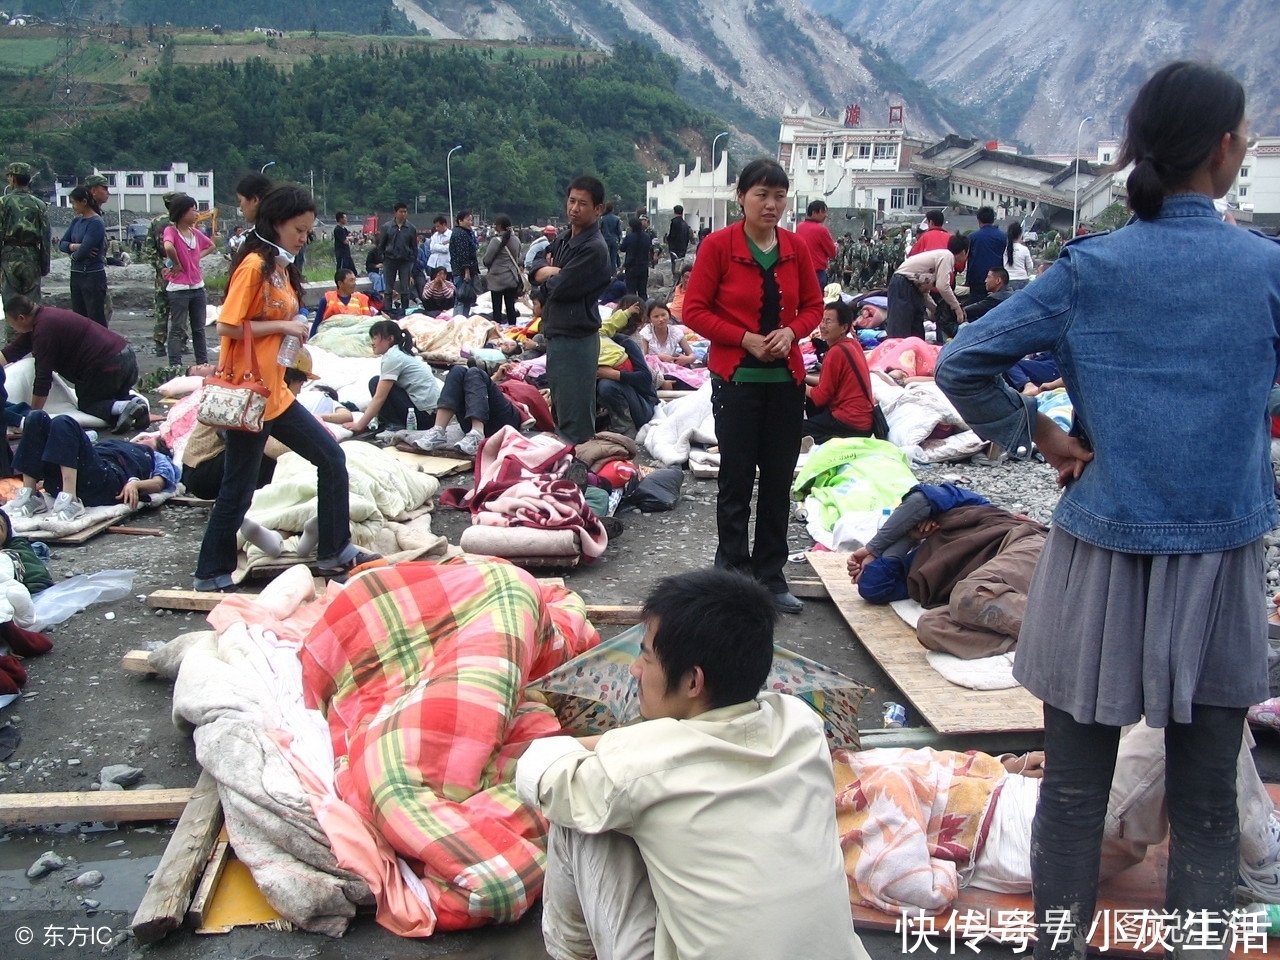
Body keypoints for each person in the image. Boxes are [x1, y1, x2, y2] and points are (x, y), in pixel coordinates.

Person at [933, 61, 1280, 959]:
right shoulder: (1264, 270)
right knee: (1205, 801)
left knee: (1075, 793)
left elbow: (963, 361)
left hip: (1100, 557)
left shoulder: (1092, 267)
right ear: (1226, 148)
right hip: (1219, 560)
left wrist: (1039, 436)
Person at [516, 567, 870, 960]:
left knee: (578, 812)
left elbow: (538, 772)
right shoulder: (802, 725)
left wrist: (592, 745)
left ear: (692, 682)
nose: (636, 669)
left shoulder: (640, 766)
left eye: (646, 657)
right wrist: (623, 744)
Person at [193, 184, 378, 592]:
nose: (304, 236)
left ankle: (335, 549)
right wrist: (282, 326)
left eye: (308, 230)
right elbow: (226, 325)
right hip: (250, 394)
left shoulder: (281, 266)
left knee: (331, 458)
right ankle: (211, 573)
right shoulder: (254, 267)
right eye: (299, 228)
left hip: (275, 392)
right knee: (237, 488)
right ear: (276, 223)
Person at [683, 158, 823, 615]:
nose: (771, 204)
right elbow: (695, 311)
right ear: (740, 197)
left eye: (779, 195)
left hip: (785, 383)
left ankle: (771, 575)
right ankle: (731, 573)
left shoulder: (796, 248)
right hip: (737, 381)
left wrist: (792, 332)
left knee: (779, 479)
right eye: (761, 194)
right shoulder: (718, 247)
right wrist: (743, 338)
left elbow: (813, 306)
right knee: (736, 478)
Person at [847, 484, 1047, 659]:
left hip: (1021, 548)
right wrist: (908, 536)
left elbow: (920, 500)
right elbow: (873, 586)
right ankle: (1047, 640)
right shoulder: (917, 562)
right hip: (999, 599)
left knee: (970, 594)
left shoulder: (975, 507)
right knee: (931, 627)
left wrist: (872, 548)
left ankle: (1060, 634)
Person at [529, 176, 611, 445]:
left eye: (583, 203)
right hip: (557, 332)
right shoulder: (565, 239)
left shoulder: (594, 248)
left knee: (575, 415)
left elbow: (559, 288)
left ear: (597, 209)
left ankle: (580, 477)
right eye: (572, 201)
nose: (574, 208)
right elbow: (536, 266)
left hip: (576, 338)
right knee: (561, 407)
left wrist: (549, 278)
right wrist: (549, 271)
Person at [1, 295, 147, 433]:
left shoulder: (44, 331)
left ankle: (125, 407)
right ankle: (136, 403)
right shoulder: (45, 319)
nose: (13, 328)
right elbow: (11, 352)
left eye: (11, 323)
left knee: (89, 405)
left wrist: (33, 416)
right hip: (126, 356)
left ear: (21, 318)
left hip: (106, 365)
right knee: (113, 397)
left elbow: (43, 377)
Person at [8, 411, 179, 523]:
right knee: (36, 418)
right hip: (77, 475)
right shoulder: (116, 445)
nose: (142, 439)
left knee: (64, 422)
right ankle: (30, 495)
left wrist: (136, 484)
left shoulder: (159, 457)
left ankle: (71, 501)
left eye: (148, 439)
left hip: (104, 483)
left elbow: (159, 483)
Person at [349, 319, 442, 434]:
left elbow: (380, 397)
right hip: (429, 416)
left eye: (375, 338)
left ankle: (394, 425)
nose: (372, 343)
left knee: (375, 383)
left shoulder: (393, 357)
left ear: (390, 339)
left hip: (421, 418)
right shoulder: (399, 353)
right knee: (379, 382)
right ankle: (392, 423)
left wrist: (359, 425)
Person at [801, 299, 875, 445]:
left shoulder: (835, 352)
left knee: (795, 430)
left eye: (828, 322)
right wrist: (803, 377)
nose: (822, 326)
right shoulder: (853, 344)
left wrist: (797, 384)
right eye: (822, 321)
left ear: (844, 327)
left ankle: (836, 439)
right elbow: (828, 383)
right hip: (865, 421)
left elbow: (820, 397)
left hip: (850, 421)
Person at [415, 361, 525, 458]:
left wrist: (519, 377)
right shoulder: (494, 376)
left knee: (475, 372)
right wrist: (496, 377)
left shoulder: (533, 371)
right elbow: (477, 388)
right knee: (458, 370)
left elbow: (533, 396)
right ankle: (438, 431)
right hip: (477, 417)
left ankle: (477, 435)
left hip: (506, 421)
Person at [162, 194, 214, 367]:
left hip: (197, 286)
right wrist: (177, 263)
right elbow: (168, 246)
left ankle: (202, 363)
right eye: (193, 210)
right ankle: (175, 365)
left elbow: (211, 246)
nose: (196, 213)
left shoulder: (195, 233)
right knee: (178, 328)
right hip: (179, 288)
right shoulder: (171, 231)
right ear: (183, 213)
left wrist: (195, 259)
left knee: (198, 329)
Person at [887, 233, 969, 341]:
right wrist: (957, 308)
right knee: (901, 332)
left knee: (916, 333)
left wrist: (934, 310)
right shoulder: (947, 256)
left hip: (913, 288)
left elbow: (924, 290)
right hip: (902, 285)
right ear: (964, 251)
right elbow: (943, 286)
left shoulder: (942, 256)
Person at [0, 163, 50, 311]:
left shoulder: (3, 202)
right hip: (32, 257)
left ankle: (13, 335)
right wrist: (44, 265)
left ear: (13, 179)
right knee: (32, 308)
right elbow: (46, 238)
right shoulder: (39, 204)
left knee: (11, 307)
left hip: (9, 258)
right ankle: (33, 334)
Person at [142, 191, 186, 356]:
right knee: (180, 310)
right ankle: (181, 344)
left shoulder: (156, 223)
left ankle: (159, 345)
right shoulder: (183, 223)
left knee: (161, 310)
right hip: (180, 273)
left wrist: (161, 267)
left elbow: (149, 249)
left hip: (163, 273)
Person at [58, 186, 108, 327]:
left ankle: (100, 348)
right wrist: (74, 247)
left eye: (74, 202)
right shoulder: (76, 222)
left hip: (92, 275)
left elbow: (85, 249)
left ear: (84, 201)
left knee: (95, 317)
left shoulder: (96, 222)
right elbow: (62, 243)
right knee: (79, 318)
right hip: (77, 274)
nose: (73, 207)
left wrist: (73, 254)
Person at [596, 330, 657, 438]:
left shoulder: (623, 342)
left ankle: (625, 430)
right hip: (606, 410)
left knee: (606, 385)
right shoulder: (582, 348)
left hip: (642, 405)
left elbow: (646, 378)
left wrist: (613, 374)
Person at [377, 203, 418, 314]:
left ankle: (404, 311)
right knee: (388, 289)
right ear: (395, 212)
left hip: (405, 261)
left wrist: (412, 259)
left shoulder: (411, 228)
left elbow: (414, 246)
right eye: (401, 211)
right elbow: (381, 244)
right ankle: (388, 310)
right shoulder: (387, 227)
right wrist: (383, 258)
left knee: (405, 289)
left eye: (405, 212)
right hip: (390, 260)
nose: (403, 214)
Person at [482, 213, 522, 327]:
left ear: (499, 226)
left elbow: (486, 260)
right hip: (511, 277)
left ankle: (497, 329)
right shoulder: (516, 240)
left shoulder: (495, 241)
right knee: (510, 306)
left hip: (497, 279)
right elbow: (518, 257)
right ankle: (513, 328)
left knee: (497, 308)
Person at [312, 268, 375, 335]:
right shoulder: (327, 299)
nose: (354, 284)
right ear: (340, 283)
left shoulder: (361, 299)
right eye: (351, 281)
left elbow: (367, 323)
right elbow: (317, 323)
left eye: (354, 280)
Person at [964, 206, 1007, 306]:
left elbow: (967, 257)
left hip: (976, 279)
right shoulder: (1002, 236)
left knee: (976, 308)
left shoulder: (972, 237)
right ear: (993, 219)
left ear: (979, 220)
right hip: (996, 279)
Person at [795, 199, 838, 288]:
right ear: (814, 212)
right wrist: (835, 246)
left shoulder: (799, 227)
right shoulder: (821, 230)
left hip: (801, 271)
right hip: (817, 273)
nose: (826, 215)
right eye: (823, 212)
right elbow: (832, 253)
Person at [638, 300, 694, 366]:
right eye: (656, 316)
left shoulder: (675, 332)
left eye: (663, 315)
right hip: (653, 369)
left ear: (669, 315)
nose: (661, 319)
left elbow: (692, 355)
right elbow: (642, 358)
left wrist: (687, 359)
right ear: (649, 319)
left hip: (672, 367)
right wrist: (657, 357)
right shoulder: (646, 333)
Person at [450, 210, 480, 316]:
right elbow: (463, 254)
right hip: (462, 272)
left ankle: (464, 318)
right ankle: (459, 320)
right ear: (460, 221)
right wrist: (466, 271)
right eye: (468, 220)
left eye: (471, 220)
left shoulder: (466, 232)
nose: (470, 222)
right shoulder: (460, 234)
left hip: (464, 270)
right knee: (462, 298)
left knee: (467, 298)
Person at [619, 215, 650, 300]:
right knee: (643, 292)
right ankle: (645, 310)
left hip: (632, 267)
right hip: (644, 266)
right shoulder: (647, 237)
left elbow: (622, 248)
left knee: (631, 292)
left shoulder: (630, 237)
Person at [664, 204, 692, 282]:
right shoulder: (685, 224)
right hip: (683, 248)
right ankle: (680, 281)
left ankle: (676, 281)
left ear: (674, 212)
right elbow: (688, 237)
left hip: (674, 248)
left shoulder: (674, 222)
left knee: (675, 265)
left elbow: (672, 235)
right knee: (680, 265)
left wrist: (667, 239)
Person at [1005, 221, 1036, 290]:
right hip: (1022, 280)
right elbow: (1030, 267)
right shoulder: (1024, 249)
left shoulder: (1005, 249)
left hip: (1008, 281)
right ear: (1020, 234)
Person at [600, 200, 622, 273]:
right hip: (614, 239)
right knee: (613, 257)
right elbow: (619, 231)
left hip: (605, 240)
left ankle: (606, 272)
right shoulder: (617, 219)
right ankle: (613, 273)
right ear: (612, 209)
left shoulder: (602, 218)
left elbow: (600, 229)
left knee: (606, 258)